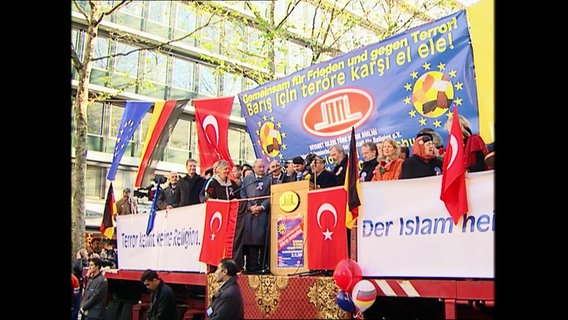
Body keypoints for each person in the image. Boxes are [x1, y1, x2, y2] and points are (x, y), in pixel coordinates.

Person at [240, 159, 271, 273]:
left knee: (263, 240)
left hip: (263, 214)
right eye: (259, 167)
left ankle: (263, 266)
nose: (262, 169)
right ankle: (250, 267)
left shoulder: (269, 179)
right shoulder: (247, 179)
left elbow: (271, 195)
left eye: (263, 167)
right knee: (250, 241)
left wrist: (262, 207)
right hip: (250, 215)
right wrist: (249, 207)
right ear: (254, 168)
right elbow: (243, 195)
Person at [72, 249, 89, 320]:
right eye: (86, 253)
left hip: (82, 286)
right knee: (76, 306)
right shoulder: (78, 263)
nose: (87, 255)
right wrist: (79, 258)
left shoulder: (86, 262)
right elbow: (78, 269)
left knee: (78, 306)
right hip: (77, 287)